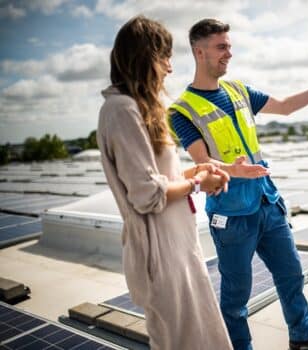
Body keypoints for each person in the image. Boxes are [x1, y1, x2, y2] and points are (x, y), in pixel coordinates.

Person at [169, 18, 308, 350]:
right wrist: (234, 169)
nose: (229, 53)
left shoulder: (239, 90)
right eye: (221, 47)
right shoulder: (181, 110)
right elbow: (201, 162)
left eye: (229, 46)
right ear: (199, 52)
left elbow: (286, 107)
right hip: (232, 215)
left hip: (267, 203)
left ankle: (302, 337)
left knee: (291, 275)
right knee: (236, 296)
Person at [97, 15, 234, 350]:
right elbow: (146, 195)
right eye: (164, 58)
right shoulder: (121, 110)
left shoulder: (138, 109)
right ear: (144, 58)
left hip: (179, 248)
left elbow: (160, 180)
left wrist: (203, 175)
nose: (170, 68)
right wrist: (198, 180)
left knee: (206, 339)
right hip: (160, 254)